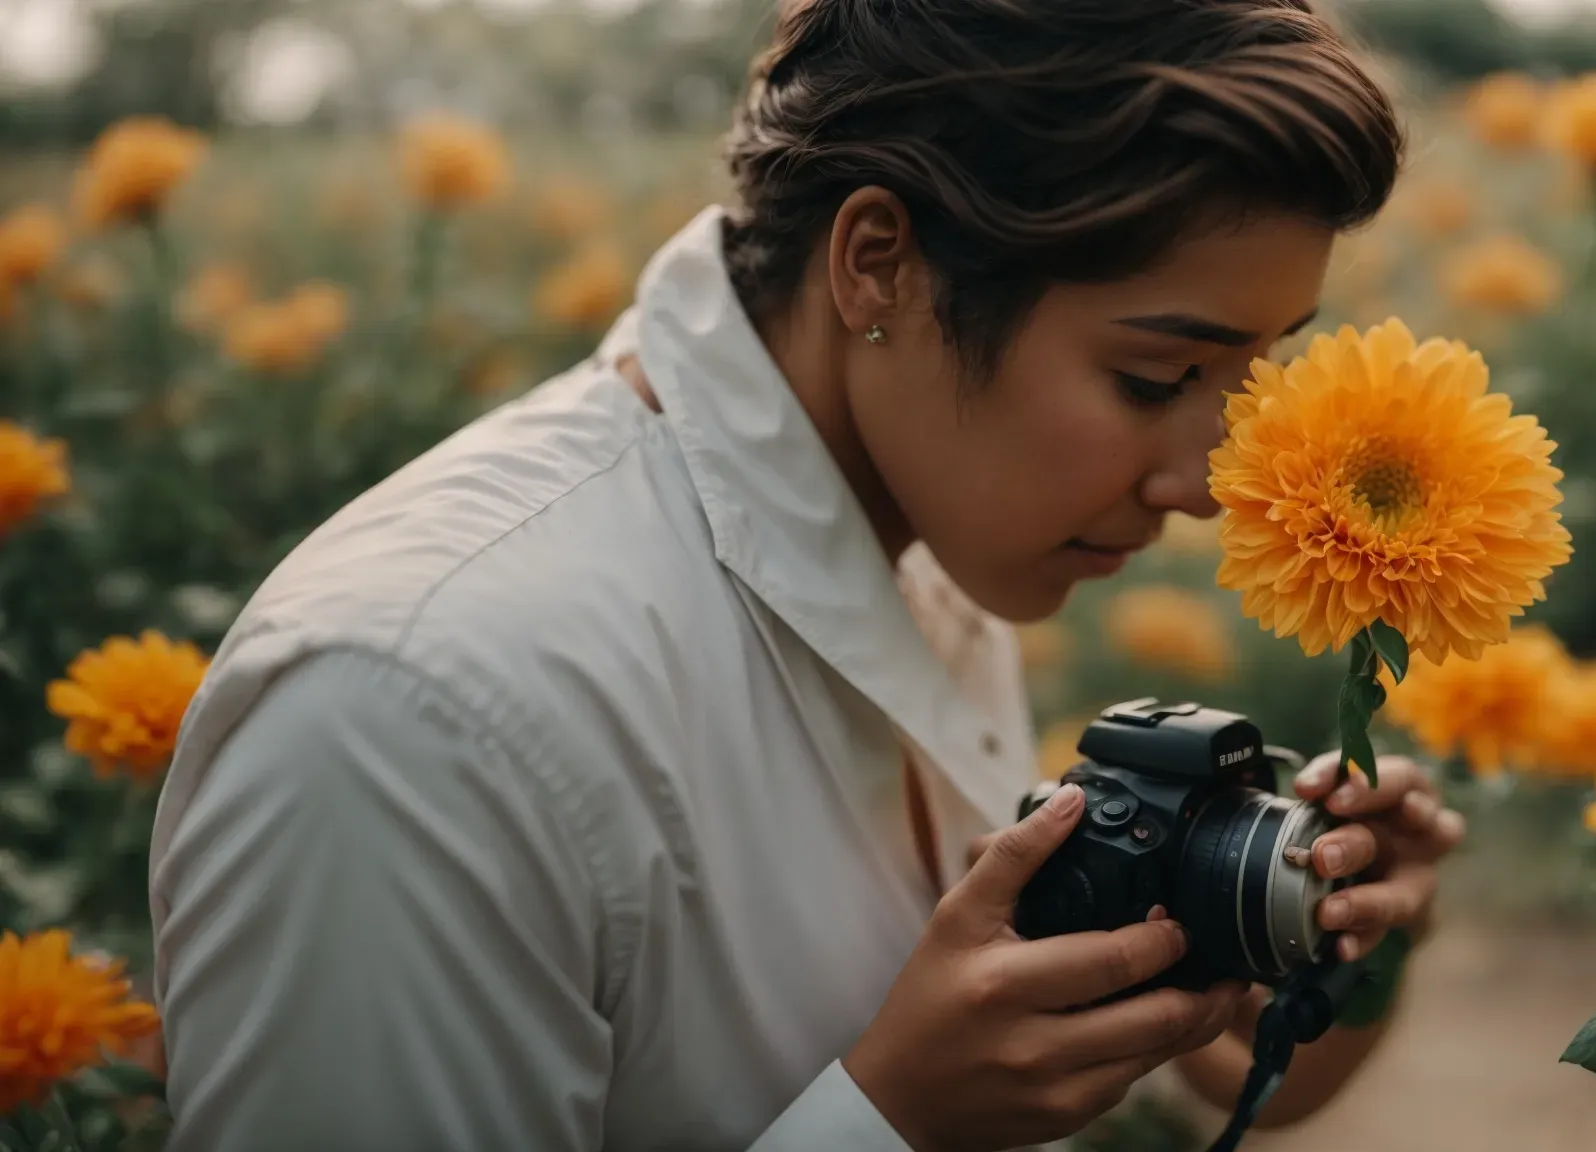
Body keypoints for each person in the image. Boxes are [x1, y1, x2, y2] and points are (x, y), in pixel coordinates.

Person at [146, 1, 1462, 1149]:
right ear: (876, 260)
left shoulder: (932, 533)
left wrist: (1331, 931)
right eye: (1156, 377)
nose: (1206, 479)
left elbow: (1186, 1090)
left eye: (1249, 375)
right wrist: (889, 1124)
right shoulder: (413, 711)